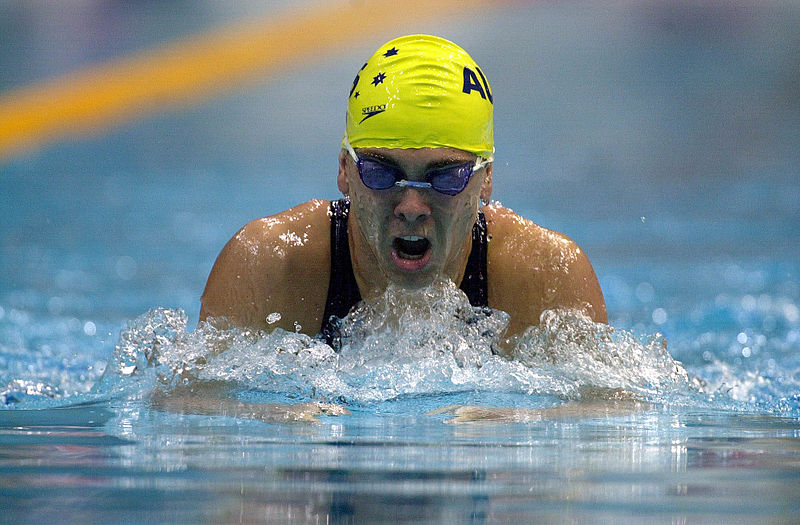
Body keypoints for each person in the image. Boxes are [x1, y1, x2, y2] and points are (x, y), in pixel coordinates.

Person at [199, 34, 607, 350]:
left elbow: (603, 426)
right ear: (344, 170)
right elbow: (194, 413)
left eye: (445, 177)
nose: (411, 207)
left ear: (485, 181)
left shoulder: (546, 279)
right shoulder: (270, 267)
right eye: (380, 172)